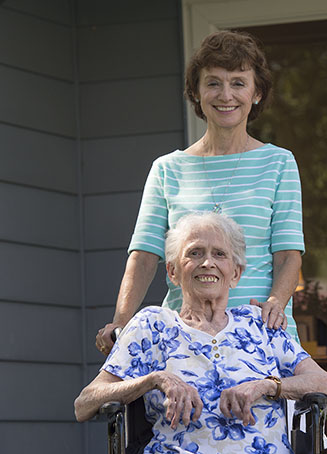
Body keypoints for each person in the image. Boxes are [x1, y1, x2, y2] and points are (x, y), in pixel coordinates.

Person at [78, 213, 327, 454]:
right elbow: (84, 404)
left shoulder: (258, 324)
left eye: (220, 254)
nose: (207, 263)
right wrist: (155, 380)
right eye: (195, 253)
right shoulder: (152, 325)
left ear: (235, 273)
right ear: (173, 272)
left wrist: (266, 385)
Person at [96, 30, 304, 355]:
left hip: (260, 333)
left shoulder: (278, 162)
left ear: (257, 92)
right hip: (186, 339)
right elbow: (144, 257)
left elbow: (289, 255)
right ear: (196, 92)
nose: (226, 95)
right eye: (213, 83)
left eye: (238, 82)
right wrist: (120, 323)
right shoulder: (167, 169)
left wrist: (276, 302)